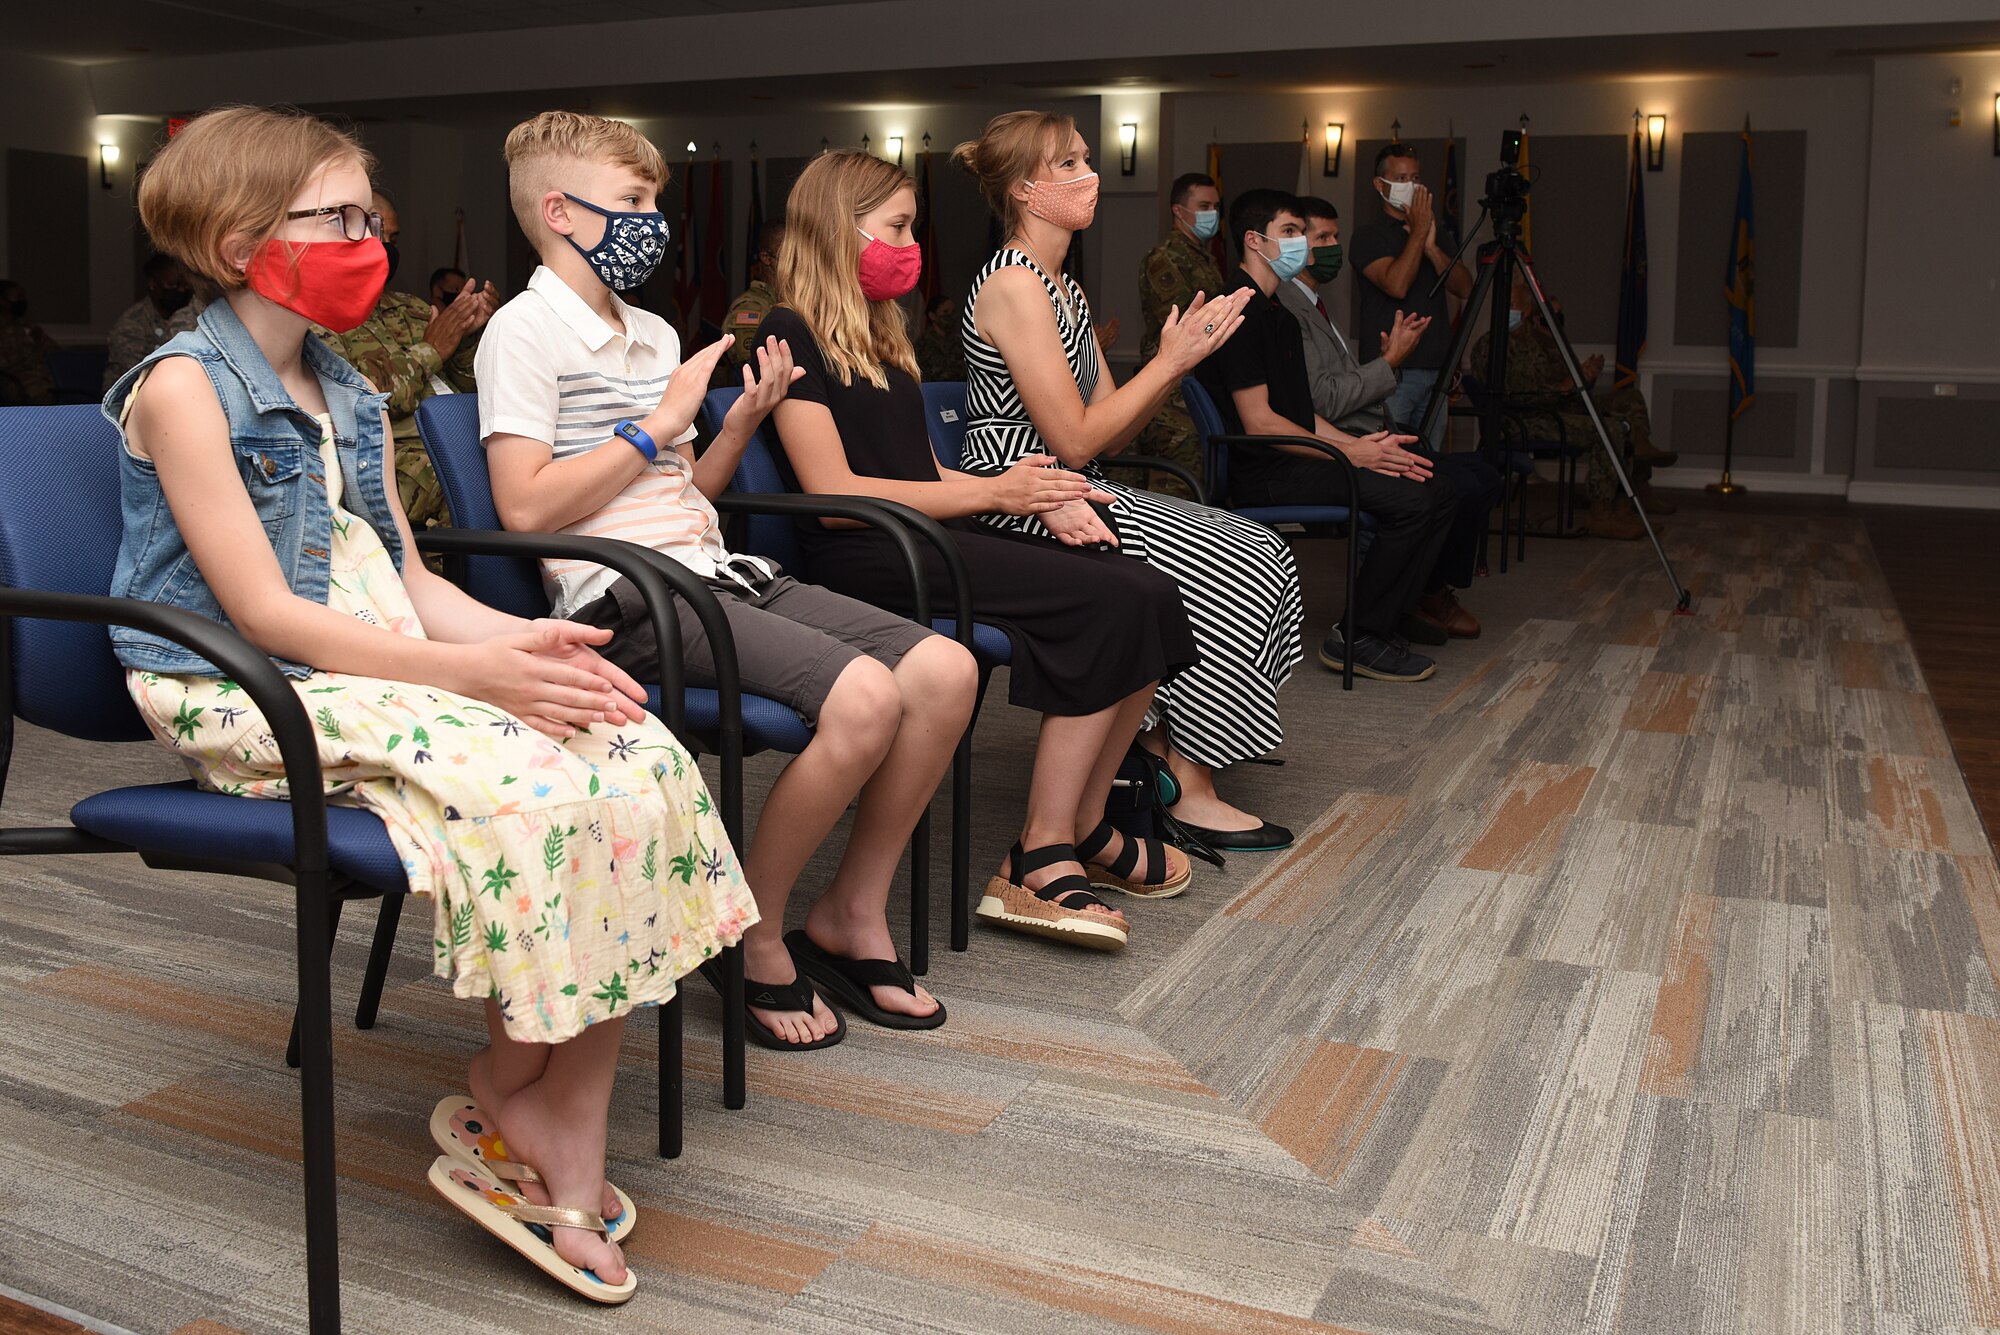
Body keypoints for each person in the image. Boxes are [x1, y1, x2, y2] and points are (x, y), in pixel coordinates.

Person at [105, 104, 756, 1302]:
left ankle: (546, 1095)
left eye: (370, 217)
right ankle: (537, 1112)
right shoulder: (185, 387)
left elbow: (404, 579)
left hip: (377, 654)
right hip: (243, 682)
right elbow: (263, 614)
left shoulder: (344, 387)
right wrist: (480, 676)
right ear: (244, 236)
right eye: (338, 219)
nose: (370, 240)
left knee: (634, 746)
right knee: (548, 782)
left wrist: (534, 642)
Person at [480, 111, 977, 1049]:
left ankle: (851, 912)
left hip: (714, 568)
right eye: (632, 201)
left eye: (654, 200)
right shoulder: (521, 331)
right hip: (624, 600)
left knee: (945, 671)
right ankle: (749, 934)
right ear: (559, 211)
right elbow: (525, 511)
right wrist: (655, 424)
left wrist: (735, 425)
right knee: (867, 700)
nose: (652, 218)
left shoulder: (656, 332)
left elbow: (685, 491)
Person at [764, 149, 1201, 950]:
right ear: (838, 227)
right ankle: (1039, 854)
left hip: (922, 531)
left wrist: (1035, 487)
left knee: (1143, 585)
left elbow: (924, 468)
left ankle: (1085, 822)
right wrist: (1000, 494)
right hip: (867, 552)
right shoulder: (790, 331)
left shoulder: (878, 329)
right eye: (895, 226)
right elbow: (833, 495)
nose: (911, 242)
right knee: (1108, 598)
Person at [954, 111, 1303, 854]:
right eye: (1068, 165)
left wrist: (1182, 355)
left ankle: (1161, 756)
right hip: (1028, 496)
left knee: (1264, 548)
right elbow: (1073, 437)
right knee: (1238, 562)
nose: (1090, 176)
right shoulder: (1016, 283)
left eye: (1086, 158)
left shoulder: (1066, 289)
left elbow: (1116, 426)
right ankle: (1188, 780)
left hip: (1080, 485)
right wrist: (1170, 362)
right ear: (1023, 190)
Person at [1193, 188, 1456, 682]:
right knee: (1413, 501)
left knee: (1434, 486)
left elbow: (1302, 414)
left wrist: (1364, 447)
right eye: (1289, 233)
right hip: (1263, 470)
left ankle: (1387, 618)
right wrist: (1350, 453)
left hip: (1296, 457)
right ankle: (1358, 637)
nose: (1302, 245)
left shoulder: (1280, 316)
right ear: (1255, 240)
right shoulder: (1237, 314)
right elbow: (1260, 422)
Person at [1286, 197, 1496, 640]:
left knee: (1482, 473)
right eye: (1321, 238)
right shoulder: (1289, 306)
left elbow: (1327, 390)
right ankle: (1416, 598)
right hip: (1329, 446)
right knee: (1451, 486)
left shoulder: (1313, 303)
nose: (1333, 246)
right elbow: (1320, 400)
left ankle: (1423, 591)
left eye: (1335, 236)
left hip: (1358, 432)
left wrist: (1386, 360)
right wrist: (1391, 363)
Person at [313, 189, 499, 535]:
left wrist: (466, 336)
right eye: (379, 234)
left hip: (461, 439)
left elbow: (474, 389)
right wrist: (432, 350)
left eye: (392, 237)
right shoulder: (316, 321)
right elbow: (364, 401)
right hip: (392, 462)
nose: (387, 246)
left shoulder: (410, 308)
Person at [1469, 278, 1679, 540]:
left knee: (1628, 403)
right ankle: (1601, 513)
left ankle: (1624, 500)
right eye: (1505, 305)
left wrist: (1582, 376)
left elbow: (1564, 380)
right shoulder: (1491, 346)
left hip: (1558, 408)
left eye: (1514, 305)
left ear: (1527, 311)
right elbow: (1511, 395)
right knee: (1611, 429)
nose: (1509, 311)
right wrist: (1560, 388)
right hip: (1523, 420)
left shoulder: (1540, 341)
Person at [1351, 144, 1472, 451]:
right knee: (1393, 457)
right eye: (1401, 178)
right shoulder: (1368, 235)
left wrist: (1431, 246)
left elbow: (1465, 287)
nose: (1411, 186)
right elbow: (1397, 285)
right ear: (1380, 185)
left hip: (1437, 368)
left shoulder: (1434, 232)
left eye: (1415, 178)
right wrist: (1418, 234)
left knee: (1429, 461)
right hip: (1395, 373)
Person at [1130, 171, 1224, 499]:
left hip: (1199, 382)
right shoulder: (1165, 258)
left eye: (1215, 205)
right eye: (1204, 205)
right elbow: (1182, 321)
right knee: (1174, 491)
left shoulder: (1205, 258)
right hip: (1171, 393)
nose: (1212, 213)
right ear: (1179, 210)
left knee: (1200, 485)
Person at [103, 254, 199, 388]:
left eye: (185, 286)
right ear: (153, 284)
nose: (181, 291)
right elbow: (136, 376)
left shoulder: (195, 315)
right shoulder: (132, 324)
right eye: (173, 285)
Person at [721, 220, 785, 368]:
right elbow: (752, 368)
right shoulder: (752, 308)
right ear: (766, 258)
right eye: (787, 253)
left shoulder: (795, 300)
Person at [0, 279, 59, 406]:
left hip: (46, 380)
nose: (22, 301)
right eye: (18, 297)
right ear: (3, 301)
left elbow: (57, 353)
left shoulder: (25, 324)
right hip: (18, 384)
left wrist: (40, 339)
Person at [914, 292, 967, 383]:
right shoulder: (922, 344)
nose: (950, 315)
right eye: (945, 312)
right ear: (932, 315)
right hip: (933, 392)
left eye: (952, 311)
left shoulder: (960, 342)